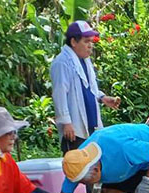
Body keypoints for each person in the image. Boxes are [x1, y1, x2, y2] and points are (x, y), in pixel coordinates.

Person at [60, 123, 149, 193]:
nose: (84, 184)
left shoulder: (123, 149)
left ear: (96, 170)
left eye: (85, 182)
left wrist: (148, 182)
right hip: (120, 166)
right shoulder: (76, 165)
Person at [51, 20, 120, 155]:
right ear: (73, 42)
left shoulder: (84, 61)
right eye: (86, 41)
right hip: (74, 128)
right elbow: (59, 94)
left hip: (91, 126)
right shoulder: (62, 62)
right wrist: (66, 123)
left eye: (91, 42)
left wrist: (103, 98)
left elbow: (88, 87)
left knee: (93, 167)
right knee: (77, 168)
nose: (90, 46)